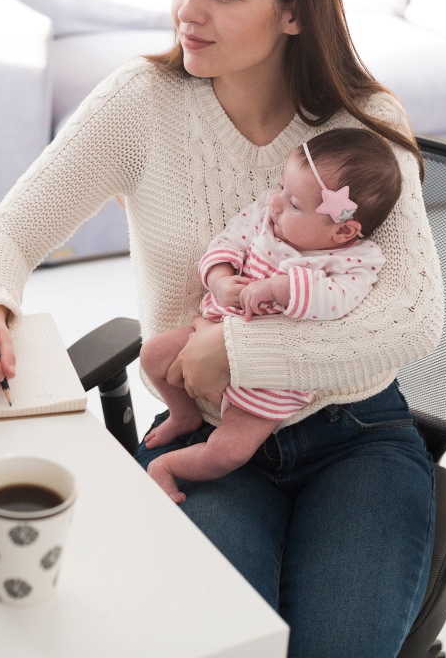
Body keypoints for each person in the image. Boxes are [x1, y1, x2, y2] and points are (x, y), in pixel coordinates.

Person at [0, 0, 444, 657]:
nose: (189, 11)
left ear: (294, 12)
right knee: (216, 643)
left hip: (354, 434)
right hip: (202, 432)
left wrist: (239, 349)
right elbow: (4, 236)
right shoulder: (141, 103)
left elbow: (414, 313)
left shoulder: (366, 126)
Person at [141, 129, 401, 505]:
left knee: (228, 452)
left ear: (343, 230)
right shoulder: (266, 217)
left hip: (275, 381)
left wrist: (282, 288)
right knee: (152, 355)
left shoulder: (353, 260)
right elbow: (226, 242)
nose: (275, 202)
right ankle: (183, 415)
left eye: (294, 203)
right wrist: (221, 280)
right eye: (281, 186)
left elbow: (339, 301)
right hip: (211, 331)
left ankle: (166, 467)